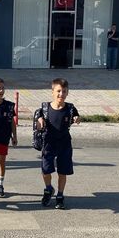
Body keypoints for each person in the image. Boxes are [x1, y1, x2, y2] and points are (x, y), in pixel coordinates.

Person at [35, 78, 80, 210]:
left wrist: (77, 119)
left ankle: (60, 195)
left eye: (64, 91)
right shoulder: (44, 108)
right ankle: (49, 189)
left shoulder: (70, 108)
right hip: (48, 143)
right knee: (45, 169)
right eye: (58, 91)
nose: (61, 94)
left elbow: (77, 117)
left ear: (67, 93)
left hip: (64, 143)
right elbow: (37, 121)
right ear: (53, 92)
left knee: (62, 171)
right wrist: (40, 121)